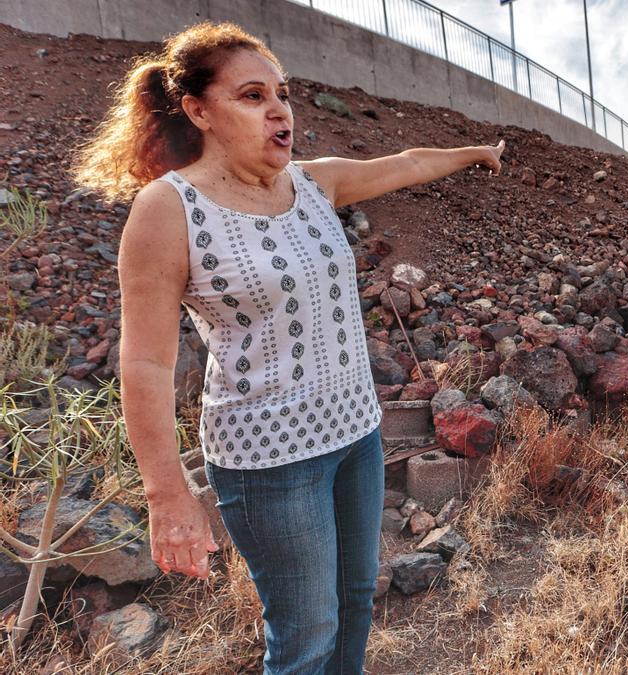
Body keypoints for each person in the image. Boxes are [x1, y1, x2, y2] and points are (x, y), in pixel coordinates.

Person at [71, 21, 504, 674]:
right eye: (252, 96)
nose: (280, 110)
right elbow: (146, 362)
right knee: (306, 637)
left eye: (283, 93)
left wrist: (476, 151)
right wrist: (167, 495)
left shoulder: (312, 183)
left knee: (356, 600)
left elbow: (408, 164)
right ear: (198, 110)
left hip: (356, 433)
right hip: (270, 462)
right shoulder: (169, 209)